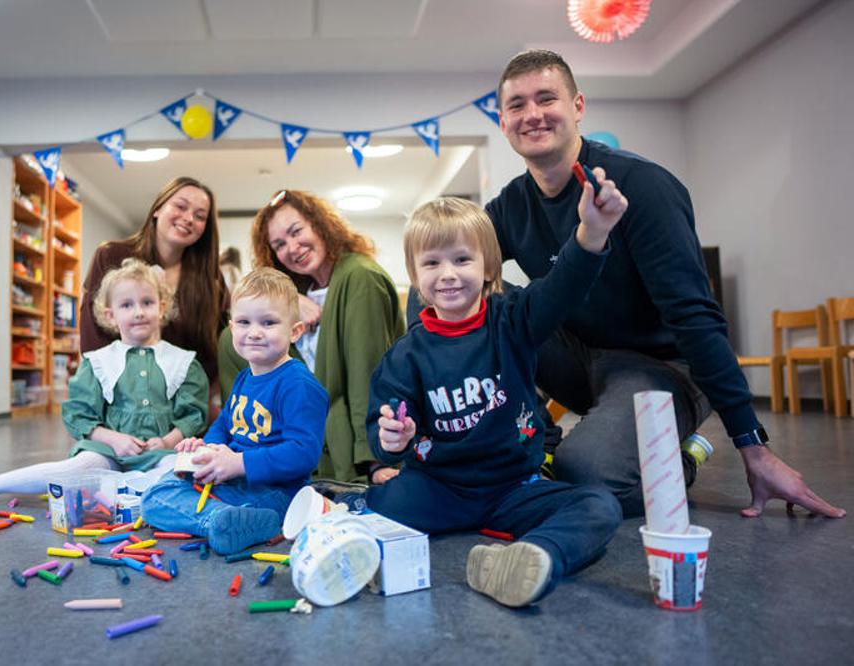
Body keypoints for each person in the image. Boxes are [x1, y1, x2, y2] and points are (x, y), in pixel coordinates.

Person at [485, 49, 844, 519]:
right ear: (503, 121)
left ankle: (685, 455)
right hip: (579, 360)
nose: (532, 114)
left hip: (661, 367)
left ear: (577, 106)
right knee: (459, 289)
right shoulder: (509, 206)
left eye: (546, 98)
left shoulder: (641, 185)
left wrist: (752, 446)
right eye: (517, 105)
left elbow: (694, 316)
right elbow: (449, 277)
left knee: (587, 474)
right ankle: (540, 441)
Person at [358, 196, 623, 608]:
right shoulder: (404, 356)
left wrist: (592, 233)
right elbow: (382, 424)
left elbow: (562, 287)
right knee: (372, 507)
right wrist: (392, 439)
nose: (448, 274)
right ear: (415, 275)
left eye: (462, 259)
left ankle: (535, 556)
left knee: (599, 505)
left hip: (514, 489)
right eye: (432, 263)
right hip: (438, 489)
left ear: (488, 267)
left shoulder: (514, 319)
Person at [0, 258, 209, 508]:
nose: (138, 312)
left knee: (185, 470)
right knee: (76, 468)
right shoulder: (99, 362)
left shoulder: (182, 361)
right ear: (110, 315)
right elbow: (80, 415)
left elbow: (192, 416)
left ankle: (117, 492)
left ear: (161, 307)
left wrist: (167, 441)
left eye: (147, 302)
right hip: (108, 452)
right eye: (127, 305)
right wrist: (113, 439)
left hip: (162, 453)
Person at [218, 190, 404, 484]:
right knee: (230, 339)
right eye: (279, 244)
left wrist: (375, 460)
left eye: (296, 231)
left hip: (346, 456)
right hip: (302, 449)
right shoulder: (300, 293)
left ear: (320, 224)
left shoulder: (359, 277)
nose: (293, 248)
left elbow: (366, 374)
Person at [142, 268, 329, 554]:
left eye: (268, 322)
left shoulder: (299, 385)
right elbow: (225, 424)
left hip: (278, 492)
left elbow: (304, 453)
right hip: (235, 481)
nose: (254, 332)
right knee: (157, 493)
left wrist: (239, 463)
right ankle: (224, 520)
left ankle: (227, 520)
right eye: (243, 322)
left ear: (295, 331)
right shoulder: (245, 377)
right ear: (232, 328)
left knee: (160, 501)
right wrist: (208, 449)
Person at [81, 177, 228, 400]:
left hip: (184, 401)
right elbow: (93, 334)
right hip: (118, 399)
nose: (188, 218)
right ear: (157, 209)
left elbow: (215, 345)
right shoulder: (111, 256)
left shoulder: (210, 278)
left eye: (200, 216)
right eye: (180, 206)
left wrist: (199, 400)